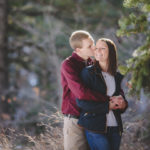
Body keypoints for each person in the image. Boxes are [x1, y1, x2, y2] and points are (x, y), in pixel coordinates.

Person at [61, 30, 126, 150]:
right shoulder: (68, 64)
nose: (94, 47)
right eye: (90, 46)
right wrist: (109, 100)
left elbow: (109, 84)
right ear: (78, 50)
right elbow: (81, 92)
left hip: (94, 118)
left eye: (93, 43)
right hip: (75, 118)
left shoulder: (93, 63)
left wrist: (120, 99)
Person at [76, 38, 128, 150]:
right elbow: (82, 102)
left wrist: (123, 104)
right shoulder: (88, 73)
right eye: (97, 48)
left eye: (102, 48)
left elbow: (121, 97)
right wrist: (107, 106)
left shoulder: (117, 76)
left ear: (111, 52)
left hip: (115, 127)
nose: (98, 51)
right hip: (94, 127)